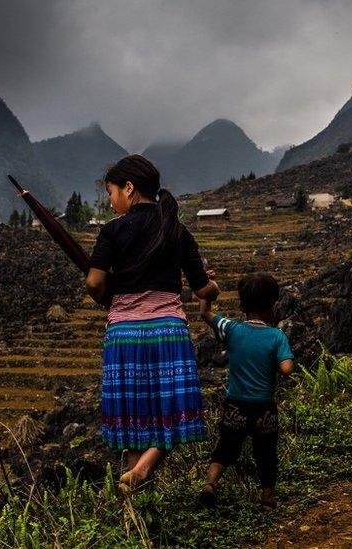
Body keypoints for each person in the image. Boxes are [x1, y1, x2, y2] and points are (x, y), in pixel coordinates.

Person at [85, 155, 220, 494]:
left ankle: (139, 504)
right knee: (176, 412)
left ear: (129, 188)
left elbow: (93, 283)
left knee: (133, 421)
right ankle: (144, 472)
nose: (111, 200)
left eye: (111, 192)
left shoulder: (112, 231)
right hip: (167, 333)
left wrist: (111, 296)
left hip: (124, 335)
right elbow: (202, 288)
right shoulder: (176, 229)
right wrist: (214, 289)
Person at [197, 272, 294, 510]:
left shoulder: (231, 329)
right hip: (264, 408)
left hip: (235, 405)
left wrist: (207, 290)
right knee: (266, 453)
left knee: (226, 448)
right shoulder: (276, 336)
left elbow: (205, 313)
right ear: (274, 306)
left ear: (241, 304)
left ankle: (210, 484)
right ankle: (267, 498)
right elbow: (287, 368)